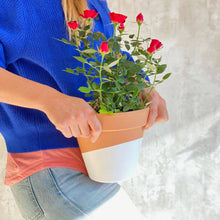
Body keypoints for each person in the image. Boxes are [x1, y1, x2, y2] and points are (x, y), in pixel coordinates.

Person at [0, 0, 168, 219]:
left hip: (98, 161)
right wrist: (51, 101)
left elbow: (108, 54)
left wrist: (142, 87)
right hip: (51, 169)